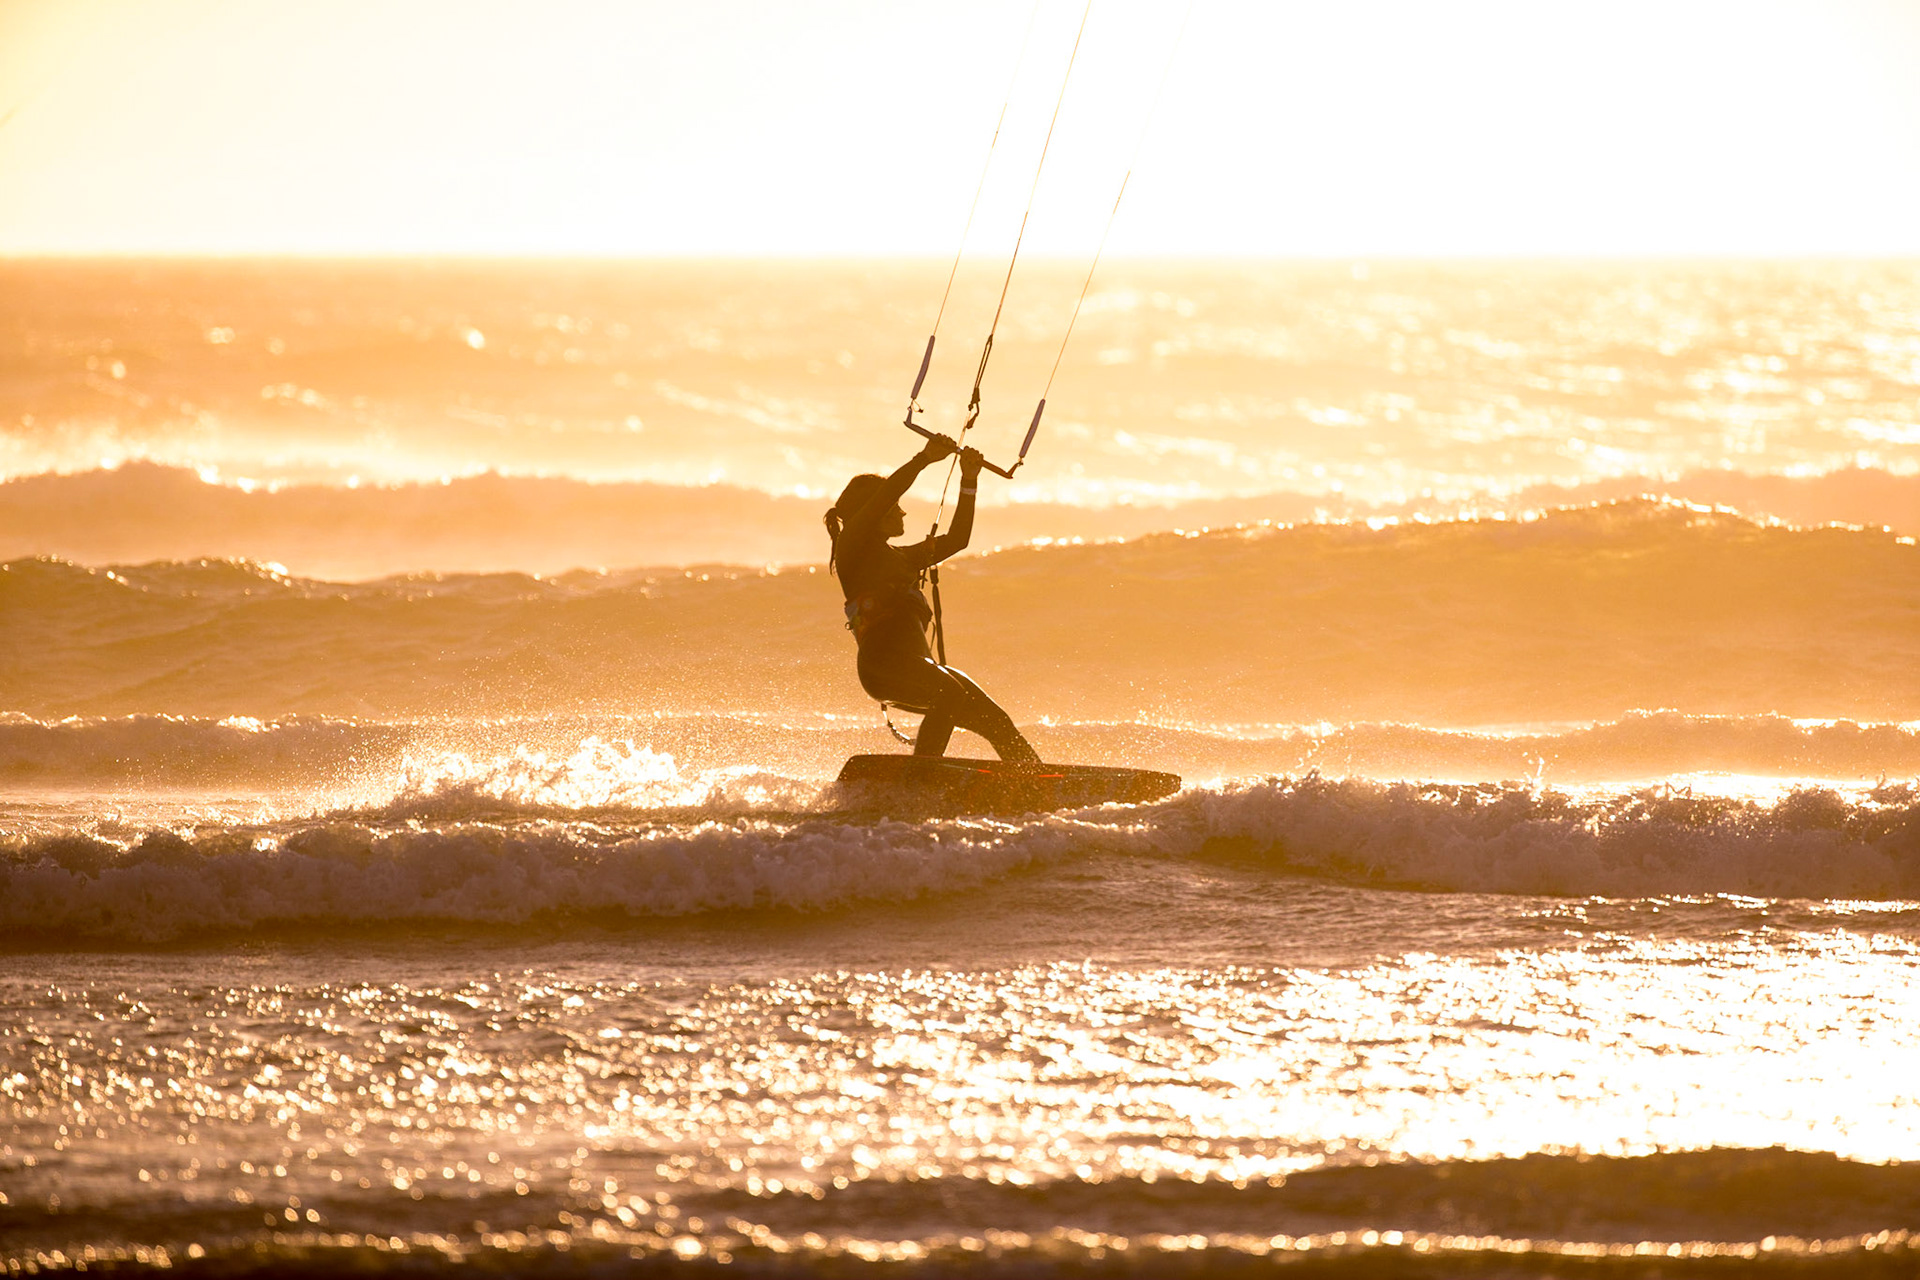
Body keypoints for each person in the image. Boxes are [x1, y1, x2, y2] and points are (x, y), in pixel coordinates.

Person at [824, 433, 1040, 765]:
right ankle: (920, 778)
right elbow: (886, 494)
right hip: (883, 667)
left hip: (916, 667)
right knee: (950, 693)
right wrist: (924, 458)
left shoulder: (902, 558)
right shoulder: (852, 550)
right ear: (875, 512)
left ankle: (1033, 781)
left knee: (995, 719)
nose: (903, 513)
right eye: (895, 508)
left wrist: (969, 481)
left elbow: (957, 540)